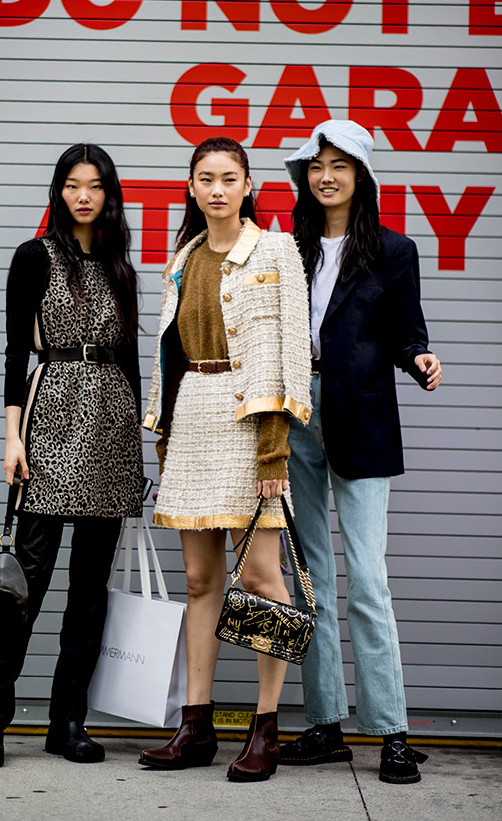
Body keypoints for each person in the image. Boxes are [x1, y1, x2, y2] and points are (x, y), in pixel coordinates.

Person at [0, 143, 144, 768]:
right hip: (52, 416)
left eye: (95, 185)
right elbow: (16, 353)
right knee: (27, 583)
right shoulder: (33, 256)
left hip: (113, 430)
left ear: (109, 194)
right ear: (59, 190)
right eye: (73, 185)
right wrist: (12, 437)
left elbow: (131, 362)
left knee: (90, 592)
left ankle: (68, 721)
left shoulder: (121, 264)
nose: (84, 196)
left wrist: (140, 449)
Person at [138, 136, 312, 782]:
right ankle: (196, 723)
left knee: (262, 579)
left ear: (247, 185)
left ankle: (265, 727)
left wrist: (274, 452)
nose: (216, 188)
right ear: (190, 188)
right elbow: (167, 357)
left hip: (249, 426)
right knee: (200, 581)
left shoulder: (275, 250)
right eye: (205, 178)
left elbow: (288, 352)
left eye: (228, 177)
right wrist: (164, 442)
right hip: (193, 423)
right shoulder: (181, 259)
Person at [279, 119, 442, 784]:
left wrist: (421, 359)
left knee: (368, 580)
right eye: (316, 166)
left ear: (361, 175)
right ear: (303, 177)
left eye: (339, 165)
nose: (326, 176)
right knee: (309, 577)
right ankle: (323, 723)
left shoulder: (393, 250)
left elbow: (408, 334)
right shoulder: (286, 248)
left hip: (364, 420)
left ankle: (391, 731)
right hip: (295, 419)